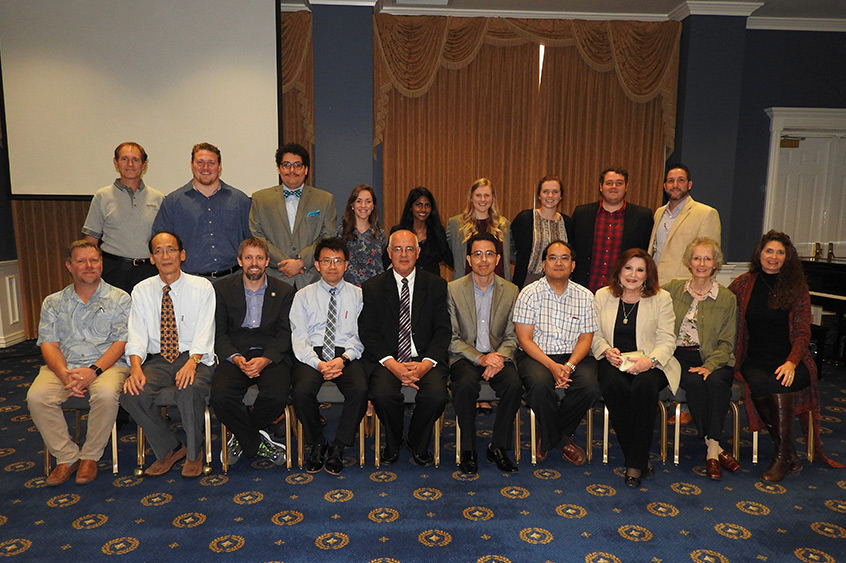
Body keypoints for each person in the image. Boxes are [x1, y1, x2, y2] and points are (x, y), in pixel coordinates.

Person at [729, 230, 843, 481]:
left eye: (780, 252)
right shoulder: (743, 284)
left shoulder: (797, 288)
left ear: (787, 257)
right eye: (769, 251)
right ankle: (788, 450)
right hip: (755, 358)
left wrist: (792, 362)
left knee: (780, 382)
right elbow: (722, 307)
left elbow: (803, 332)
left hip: (791, 358)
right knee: (758, 382)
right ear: (759, 254)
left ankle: (781, 457)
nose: (774, 256)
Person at [26, 240, 130, 486]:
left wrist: (93, 372)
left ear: (101, 264)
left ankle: (90, 457)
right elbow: (49, 344)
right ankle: (67, 456)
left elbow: (121, 342)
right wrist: (64, 376)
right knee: (37, 397)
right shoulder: (53, 302)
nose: (88, 266)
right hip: (65, 366)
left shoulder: (120, 299)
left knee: (105, 395)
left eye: (94, 260)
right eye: (81, 261)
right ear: (69, 266)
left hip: (107, 366)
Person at [121, 231, 216, 478]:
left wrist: (192, 363)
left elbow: (206, 331)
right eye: (159, 251)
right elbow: (137, 335)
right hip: (159, 359)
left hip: (194, 357)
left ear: (182, 254)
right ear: (151, 258)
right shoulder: (141, 290)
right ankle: (171, 448)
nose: (165, 256)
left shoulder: (202, 287)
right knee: (132, 394)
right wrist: (135, 369)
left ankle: (194, 454)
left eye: (171, 249)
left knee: (189, 389)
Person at [360, 228, 450, 466]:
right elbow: (368, 333)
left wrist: (425, 364)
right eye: (397, 249)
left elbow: (443, 331)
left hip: (424, 358)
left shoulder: (436, 285)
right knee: (382, 393)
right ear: (388, 252)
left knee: (437, 395)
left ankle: (417, 441)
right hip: (387, 359)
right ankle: (394, 440)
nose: (403, 254)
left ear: (418, 252)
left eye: (409, 248)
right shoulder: (373, 287)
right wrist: (392, 364)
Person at [592, 248, 680, 488]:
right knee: (612, 385)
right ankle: (640, 458)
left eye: (640, 270)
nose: (633, 274)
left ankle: (634, 463)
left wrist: (649, 362)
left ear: (647, 275)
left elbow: (667, 339)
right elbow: (594, 334)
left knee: (644, 387)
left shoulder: (661, 298)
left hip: (652, 362)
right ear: (619, 270)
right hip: (615, 360)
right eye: (628, 268)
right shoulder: (602, 295)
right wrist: (606, 351)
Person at [512, 240, 600, 466]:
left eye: (564, 258)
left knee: (590, 386)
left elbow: (586, 338)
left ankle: (548, 431)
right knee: (540, 385)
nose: (558, 263)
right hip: (536, 355)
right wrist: (552, 366)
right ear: (543, 264)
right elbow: (524, 339)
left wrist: (569, 366)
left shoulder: (585, 295)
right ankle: (561, 440)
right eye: (552, 258)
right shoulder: (529, 293)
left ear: (573, 265)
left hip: (574, 356)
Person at [211, 237, 294, 467]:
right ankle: (256, 442)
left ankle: (242, 437)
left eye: (259, 257)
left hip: (270, 354)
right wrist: (235, 358)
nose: (254, 263)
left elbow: (285, 334)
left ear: (267, 261)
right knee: (219, 396)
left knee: (277, 396)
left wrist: (266, 359)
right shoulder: (222, 289)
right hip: (235, 354)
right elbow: (218, 333)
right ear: (239, 261)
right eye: (248, 258)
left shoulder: (285, 291)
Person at [290, 237, 369, 474]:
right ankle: (317, 442)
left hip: (346, 353)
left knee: (360, 389)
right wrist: (318, 363)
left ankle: (339, 446)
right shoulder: (303, 295)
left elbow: (360, 336)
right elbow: (299, 336)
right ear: (317, 265)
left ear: (347, 265)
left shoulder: (358, 295)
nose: (332, 266)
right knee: (301, 391)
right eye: (326, 261)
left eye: (338, 260)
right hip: (312, 354)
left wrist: (343, 359)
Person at [664, 238, 740, 480]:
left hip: (716, 357)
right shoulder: (673, 289)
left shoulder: (727, 298)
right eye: (697, 258)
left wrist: (710, 365)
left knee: (717, 383)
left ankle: (711, 447)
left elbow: (728, 341)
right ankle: (715, 449)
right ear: (689, 261)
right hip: (681, 357)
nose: (701, 263)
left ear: (715, 263)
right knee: (696, 384)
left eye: (707, 258)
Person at [448, 233, 522, 474]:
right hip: (465, 357)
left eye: (489, 254)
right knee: (464, 386)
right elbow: (451, 337)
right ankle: (468, 448)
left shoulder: (511, 291)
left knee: (513, 385)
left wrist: (498, 357)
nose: (483, 260)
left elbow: (513, 335)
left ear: (498, 258)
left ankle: (498, 446)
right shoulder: (453, 289)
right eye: (477, 254)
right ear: (468, 259)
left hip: (498, 355)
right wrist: (480, 358)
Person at [152, 143, 251, 280]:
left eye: (211, 163)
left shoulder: (240, 201)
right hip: (189, 283)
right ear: (192, 165)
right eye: (200, 162)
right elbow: (159, 243)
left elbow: (252, 242)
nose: (205, 167)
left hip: (233, 280)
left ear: (219, 166)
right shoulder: (173, 202)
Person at [250, 143, 336, 289]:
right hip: (274, 278)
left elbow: (328, 237)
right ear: (279, 169)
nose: (291, 170)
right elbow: (257, 237)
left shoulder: (324, 199)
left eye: (297, 165)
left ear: (306, 169)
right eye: (286, 165)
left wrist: (301, 262)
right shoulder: (260, 199)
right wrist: (284, 263)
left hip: (311, 279)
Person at [82, 142, 164, 293]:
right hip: (113, 270)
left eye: (136, 160)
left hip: (149, 270)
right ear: (116, 163)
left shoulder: (157, 198)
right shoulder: (102, 196)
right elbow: (91, 241)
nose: (130, 164)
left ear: (144, 165)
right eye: (124, 159)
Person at [568, 167, 653, 293]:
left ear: (626, 187)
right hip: (584, 290)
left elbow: (645, 255)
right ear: (601, 187)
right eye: (609, 183)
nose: (614, 186)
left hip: (623, 290)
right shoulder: (582, 214)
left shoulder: (642, 217)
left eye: (619, 183)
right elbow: (571, 249)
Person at [648, 164, 721, 285]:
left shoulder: (706, 214)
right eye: (671, 181)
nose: (675, 185)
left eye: (680, 180)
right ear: (665, 186)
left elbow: (711, 258)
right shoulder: (659, 213)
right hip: (654, 284)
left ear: (689, 184)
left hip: (684, 288)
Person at [447, 178, 512, 281]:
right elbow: (447, 254)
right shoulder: (456, 224)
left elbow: (510, 255)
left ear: (493, 198)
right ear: (471, 198)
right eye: (478, 195)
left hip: (499, 286)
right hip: (465, 286)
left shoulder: (504, 225)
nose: (482, 200)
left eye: (487, 195)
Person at [511, 175, 570, 289]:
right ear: (539, 195)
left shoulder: (568, 222)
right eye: (545, 191)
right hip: (528, 280)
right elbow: (511, 246)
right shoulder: (525, 219)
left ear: (561, 196)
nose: (550, 196)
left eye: (555, 192)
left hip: (559, 281)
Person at [384, 187, 452, 277]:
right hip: (406, 284)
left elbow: (449, 258)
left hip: (431, 284)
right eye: (419, 205)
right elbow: (386, 260)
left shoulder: (437, 232)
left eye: (427, 205)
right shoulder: (398, 232)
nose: (423, 209)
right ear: (411, 207)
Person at [337, 184, 385, 286]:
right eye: (359, 201)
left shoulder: (380, 233)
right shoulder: (341, 232)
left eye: (368, 201)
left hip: (375, 290)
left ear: (373, 206)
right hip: (348, 291)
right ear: (352, 205)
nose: (363, 206)